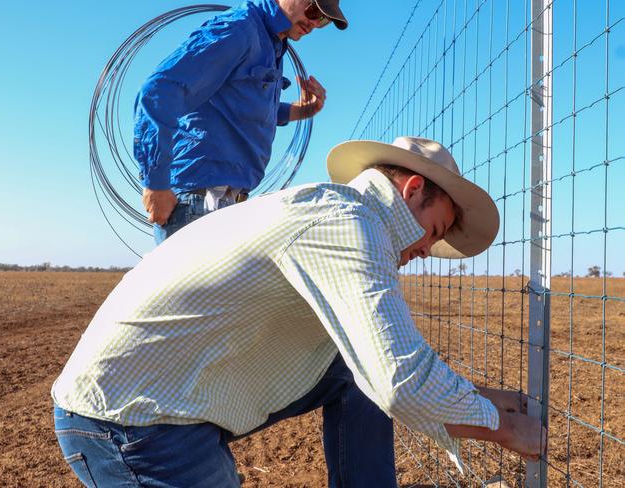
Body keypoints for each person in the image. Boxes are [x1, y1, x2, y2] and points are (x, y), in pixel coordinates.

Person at [53, 136, 547, 487]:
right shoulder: (347, 225)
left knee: (352, 370)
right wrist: (501, 428)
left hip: (163, 396)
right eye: (434, 231)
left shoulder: (331, 210)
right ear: (413, 189)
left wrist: (482, 396)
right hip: (129, 421)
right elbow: (400, 381)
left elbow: (371, 366)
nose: (424, 250)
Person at [134, 0, 348, 244]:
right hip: (197, 204)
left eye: (324, 20)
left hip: (228, 206)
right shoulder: (239, 29)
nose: (314, 23)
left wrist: (301, 111)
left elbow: (242, 107)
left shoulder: (273, 42)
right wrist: (156, 184)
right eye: (313, 10)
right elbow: (159, 91)